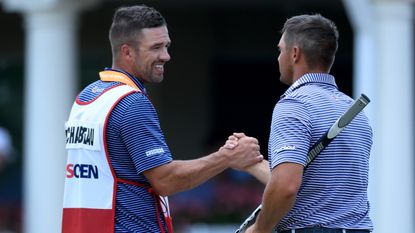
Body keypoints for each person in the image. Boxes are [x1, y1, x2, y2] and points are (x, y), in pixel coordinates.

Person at [62, 5, 262, 233]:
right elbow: (166, 180)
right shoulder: (131, 102)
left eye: (166, 46)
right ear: (127, 52)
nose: (166, 56)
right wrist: (227, 157)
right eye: (156, 47)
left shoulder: (88, 96)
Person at [241, 14, 373, 233]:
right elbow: (313, 180)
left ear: (295, 54)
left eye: (280, 50)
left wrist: (259, 229)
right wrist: (252, 164)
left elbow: (286, 186)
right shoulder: (355, 112)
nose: (278, 58)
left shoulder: (294, 104)